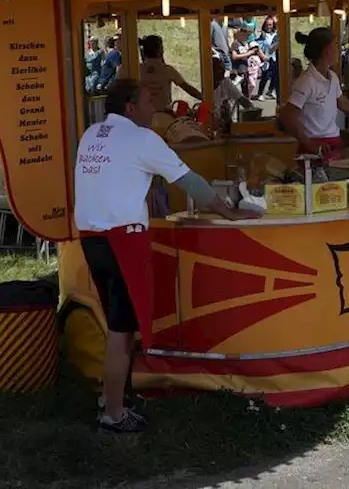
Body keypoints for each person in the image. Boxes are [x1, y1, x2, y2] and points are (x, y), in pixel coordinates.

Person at [74, 79, 255, 433]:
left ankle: (113, 396)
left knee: (116, 320)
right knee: (122, 330)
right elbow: (192, 183)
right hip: (122, 239)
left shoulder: (92, 134)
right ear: (130, 107)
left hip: (91, 237)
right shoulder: (142, 139)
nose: (153, 109)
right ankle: (113, 413)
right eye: (147, 101)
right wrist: (229, 213)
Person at [278, 28, 349, 161]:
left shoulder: (332, 76)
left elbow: (342, 102)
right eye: (336, 45)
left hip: (334, 142)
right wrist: (308, 143)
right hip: (316, 146)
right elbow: (287, 115)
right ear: (327, 50)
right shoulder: (307, 81)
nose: (339, 49)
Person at [138, 35, 201, 113]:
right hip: (164, 114)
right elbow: (187, 88)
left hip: (142, 113)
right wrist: (203, 97)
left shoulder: (137, 70)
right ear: (160, 50)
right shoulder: (167, 70)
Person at [210, 56, 254, 126]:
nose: (222, 70)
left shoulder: (225, 82)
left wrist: (252, 110)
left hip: (224, 123)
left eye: (223, 68)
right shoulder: (206, 86)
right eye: (219, 69)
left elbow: (241, 99)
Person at [256, 16, 279, 100]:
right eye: (267, 25)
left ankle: (270, 90)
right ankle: (260, 93)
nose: (269, 27)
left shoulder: (275, 34)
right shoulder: (262, 34)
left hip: (275, 58)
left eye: (271, 25)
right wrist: (262, 56)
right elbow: (257, 46)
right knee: (265, 76)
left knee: (275, 75)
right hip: (266, 57)